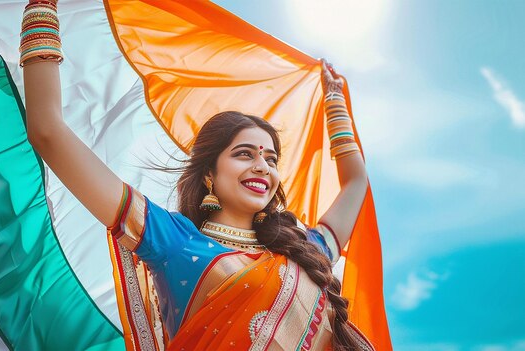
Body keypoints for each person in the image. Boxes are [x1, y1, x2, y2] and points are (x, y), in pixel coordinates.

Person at [20, 0, 374, 350]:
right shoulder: (174, 240)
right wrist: (42, 8)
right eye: (244, 154)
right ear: (209, 173)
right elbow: (48, 132)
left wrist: (334, 101)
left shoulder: (303, 252)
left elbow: (355, 184)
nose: (262, 166)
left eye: (271, 158)